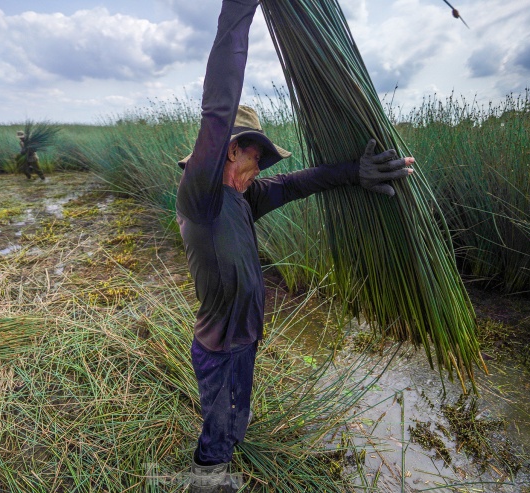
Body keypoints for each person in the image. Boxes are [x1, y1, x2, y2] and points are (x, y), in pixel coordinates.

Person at [175, 1, 415, 491]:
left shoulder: (245, 197)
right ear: (233, 150)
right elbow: (218, 110)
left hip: (246, 338)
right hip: (218, 346)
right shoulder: (201, 200)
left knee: (238, 415)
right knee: (217, 429)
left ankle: (229, 451)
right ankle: (206, 477)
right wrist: (238, 12)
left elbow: (300, 182)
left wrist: (355, 172)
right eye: (254, 159)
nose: (258, 171)